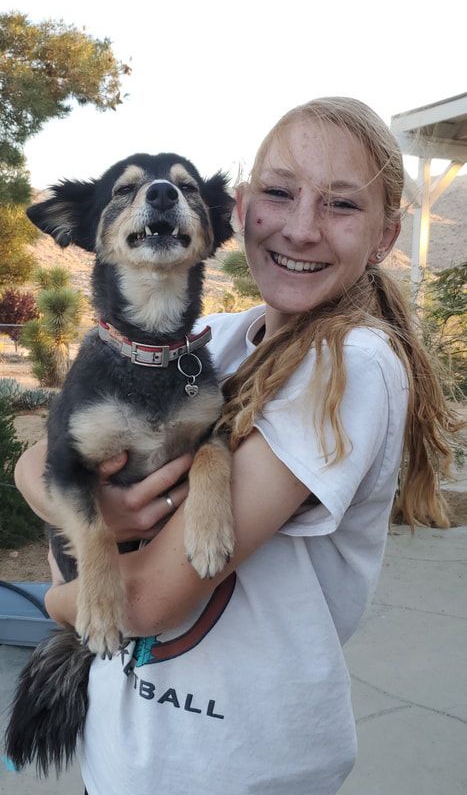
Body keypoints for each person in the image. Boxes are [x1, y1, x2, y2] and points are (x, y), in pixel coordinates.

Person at [15, 97, 462, 795]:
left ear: (384, 235)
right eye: (280, 194)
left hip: (239, 765)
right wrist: (91, 509)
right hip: (129, 749)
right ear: (244, 210)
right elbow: (37, 460)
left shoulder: (352, 366)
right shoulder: (211, 343)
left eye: (341, 205)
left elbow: (148, 603)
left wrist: (55, 602)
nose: (302, 227)